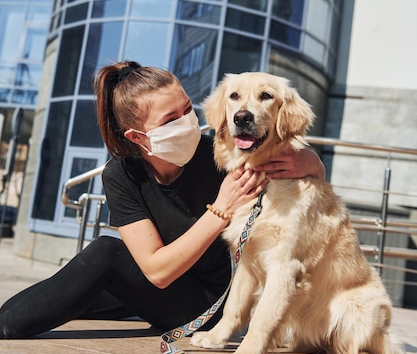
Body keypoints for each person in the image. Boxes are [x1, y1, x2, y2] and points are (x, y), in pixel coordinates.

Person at [0, 61, 325, 339]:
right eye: (171, 120)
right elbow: (155, 270)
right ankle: (7, 320)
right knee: (81, 289)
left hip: (212, 303)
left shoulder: (222, 154)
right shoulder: (121, 174)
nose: (187, 123)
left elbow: (288, 170)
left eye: (187, 109)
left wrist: (314, 164)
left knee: (106, 253)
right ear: (138, 137)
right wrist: (221, 209)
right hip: (165, 284)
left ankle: (5, 325)